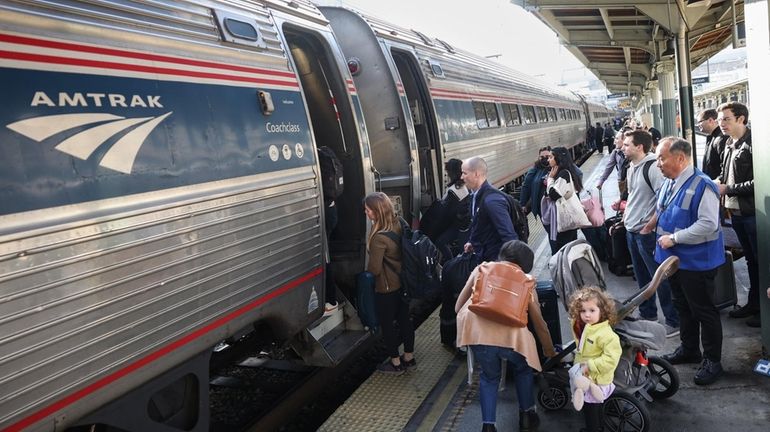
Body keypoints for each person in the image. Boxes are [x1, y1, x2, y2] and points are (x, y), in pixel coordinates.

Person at [455, 240, 556, 432]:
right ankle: (526, 416)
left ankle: (488, 426)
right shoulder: (527, 280)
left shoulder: (482, 269)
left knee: (489, 377)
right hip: (513, 340)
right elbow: (539, 323)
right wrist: (549, 350)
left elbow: (458, 306)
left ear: (502, 256)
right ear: (526, 263)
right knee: (523, 369)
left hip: (479, 337)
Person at [651, 138, 725, 385]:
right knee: (682, 305)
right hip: (674, 261)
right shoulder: (669, 182)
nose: (658, 163)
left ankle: (713, 361)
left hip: (696, 262)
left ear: (680, 158)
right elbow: (664, 210)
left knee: (704, 311)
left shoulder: (703, 186)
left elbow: (708, 224)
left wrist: (674, 238)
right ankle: (690, 348)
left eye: (662, 158)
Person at [622, 130, 679, 337]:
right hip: (632, 230)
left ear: (639, 147)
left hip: (646, 232)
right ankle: (648, 314)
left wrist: (650, 226)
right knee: (642, 276)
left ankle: (673, 320)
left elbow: (664, 201)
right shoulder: (631, 167)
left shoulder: (652, 167)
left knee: (659, 278)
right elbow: (634, 196)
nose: (622, 147)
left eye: (627, 144)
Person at [716, 102, 759, 327]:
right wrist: (719, 183)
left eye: (726, 119)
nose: (721, 123)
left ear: (741, 119)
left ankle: (762, 310)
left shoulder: (753, 144)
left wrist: (728, 189)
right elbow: (725, 175)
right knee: (751, 261)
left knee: (760, 262)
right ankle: (754, 304)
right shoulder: (728, 143)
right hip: (737, 213)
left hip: (752, 212)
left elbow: (760, 180)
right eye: (721, 119)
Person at [364, 192, 416, 374]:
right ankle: (409, 357)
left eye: (368, 210)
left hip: (387, 287)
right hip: (404, 282)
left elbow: (375, 270)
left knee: (388, 325)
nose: (366, 213)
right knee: (405, 320)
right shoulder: (399, 222)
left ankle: (395, 363)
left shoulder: (378, 237)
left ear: (377, 211)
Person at [568, 286, 621, 432]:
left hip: (596, 379)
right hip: (587, 377)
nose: (587, 315)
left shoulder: (606, 335)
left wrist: (590, 365)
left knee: (591, 411)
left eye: (592, 310)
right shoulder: (586, 327)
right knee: (595, 408)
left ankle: (593, 429)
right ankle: (599, 428)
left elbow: (611, 360)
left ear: (602, 312)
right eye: (583, 311)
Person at [462, 157, 517, 262]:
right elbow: (479, 224)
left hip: (495, 261)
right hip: (484, 257)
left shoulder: (492, 201)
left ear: (476, 174)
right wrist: (472, 242)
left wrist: (507, 265)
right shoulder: (475, 196)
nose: (462, 177)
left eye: (464, 173)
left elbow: (509, 236)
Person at [544, 147, 584, 254]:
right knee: (569, 247)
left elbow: (553, 195)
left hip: (565, 220)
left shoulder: (564, 174)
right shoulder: (567, 172)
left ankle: (565, 269)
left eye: (551, 157)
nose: (548, 160)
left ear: (558, 158)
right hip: (568, 218)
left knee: (564, 249)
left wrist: (550, 179)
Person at [435, 158, 471, 261]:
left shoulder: (454, 190)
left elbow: (444, 208)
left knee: (440, 241)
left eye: (448, 171)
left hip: (458, 225)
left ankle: (451, 263)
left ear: (452, 172)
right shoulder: (463, 186)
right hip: (464, 224)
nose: (447, 174)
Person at [519, 146, 552, 219]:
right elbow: (526, 186)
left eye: (547, 156)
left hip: (554, 205)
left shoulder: (557, 167)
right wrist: (523, 204)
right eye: (542, 157)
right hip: (541, 207)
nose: (544, 158)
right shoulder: (534, 170)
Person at [696, 109, 728, 180]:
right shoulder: (713, 138)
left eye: (700, 122)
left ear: (710, 120)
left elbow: (725, 166)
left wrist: (717, 182)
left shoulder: (721, 139)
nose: (698, 125)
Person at [596, 127, 630, 192]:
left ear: (624, 139)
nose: (614, 142)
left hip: (631, 182)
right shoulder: (615, 152)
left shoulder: (632, 153)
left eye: (617, 139)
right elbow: (609, 167)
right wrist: (601, 181)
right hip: (622, 182)